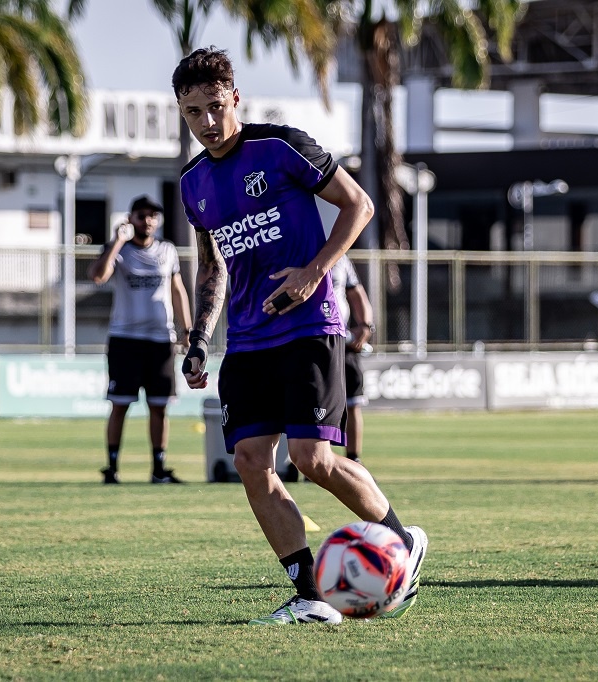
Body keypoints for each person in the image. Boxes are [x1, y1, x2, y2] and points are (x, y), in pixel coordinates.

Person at [174, 46, 427, 625]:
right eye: (193, 113)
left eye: (215, 106)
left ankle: (400, 541)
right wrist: (196, 339)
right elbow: (210, 265)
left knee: (313, 458)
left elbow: (358, 205)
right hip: (246, 340)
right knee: (248, 461)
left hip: (309, 327)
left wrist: (315, 271)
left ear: (234, 97)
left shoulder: (282, 145)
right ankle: (311, 594)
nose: (207, 122)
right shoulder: (193, 182)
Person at [88, 194, 192, 485]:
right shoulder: (119, 250)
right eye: (141, 215)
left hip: (161, 340)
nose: (147, 221)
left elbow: (177, 290)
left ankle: (159, 469)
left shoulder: (167, 250)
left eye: (152, 216)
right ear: (130, 218)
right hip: (125, 339)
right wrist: (117, 242)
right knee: (120, 404)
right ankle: (111, 467)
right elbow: (98, 276)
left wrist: (186, 331)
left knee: (159, 405)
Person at [330, 254, 375, 464]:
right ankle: (315, 457)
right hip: (311, 340)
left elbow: (356, 291)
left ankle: (354, 457)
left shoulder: (341, 257)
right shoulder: (299, 246)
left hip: (343, 341)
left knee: (353, 401)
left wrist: (365, 325)